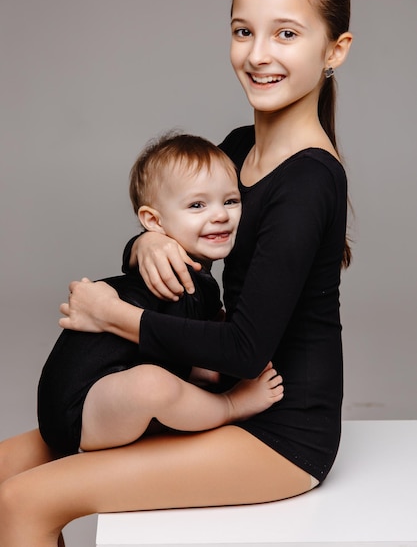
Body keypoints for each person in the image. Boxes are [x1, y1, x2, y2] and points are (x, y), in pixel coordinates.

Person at [0, 0, 353, 547]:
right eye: (244, 31)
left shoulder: (309, 181)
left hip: (277, 430)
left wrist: (116, 316)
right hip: (200, 387)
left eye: (286, 34)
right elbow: (183, 225)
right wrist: (146, 240)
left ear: (335, 50)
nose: (258, 54)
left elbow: (244, 350)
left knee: (24, 500)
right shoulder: (239, 146)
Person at [37, 131, 283, 455]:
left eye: (231, 201)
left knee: (157, 373)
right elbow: (171, 340)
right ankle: (230, 406)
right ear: (154, 220)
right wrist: (219, 377)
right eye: (197, 205)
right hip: (79, 412)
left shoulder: (187, 271)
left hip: (97, 398)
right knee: (153, 384)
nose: (220, 215)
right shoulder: (176, 278)